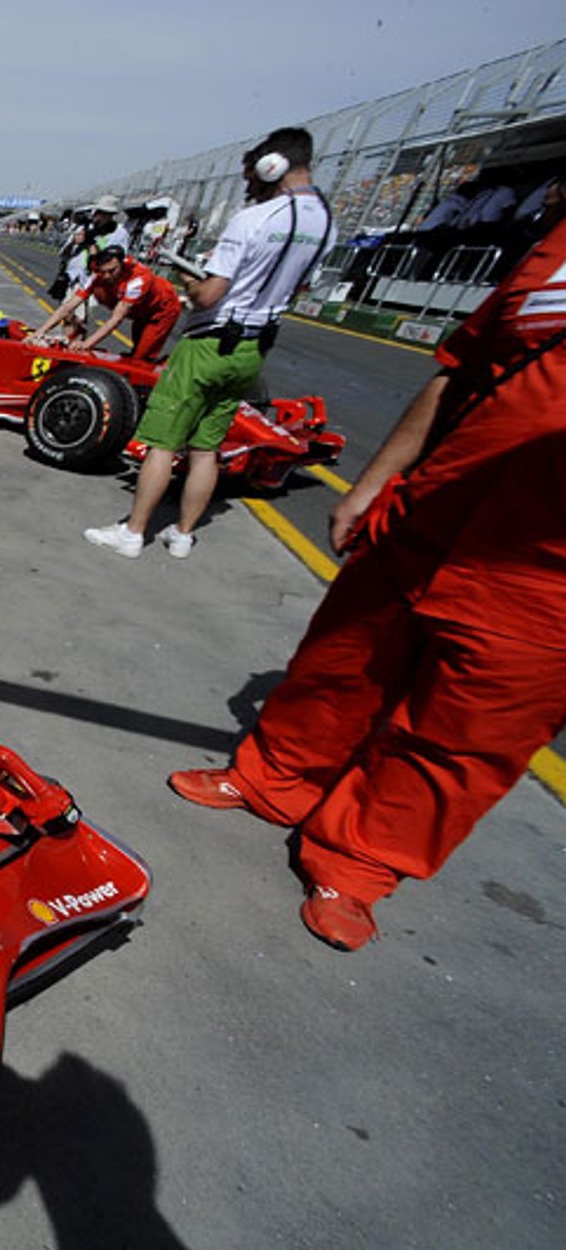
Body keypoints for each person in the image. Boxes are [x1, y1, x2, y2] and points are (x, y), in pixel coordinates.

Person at [166, 199, 566, 953]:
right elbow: (459, 371)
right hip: (438, 507)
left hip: (546, 577)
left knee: (465, 737)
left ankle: (356, 865)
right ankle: (271, 780)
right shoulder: (553, 249)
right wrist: (379, 478)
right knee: (339, 665)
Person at [85, 127, 335, 561]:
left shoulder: (254, 219)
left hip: (210, 341)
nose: (249, 187)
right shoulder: (326, 224)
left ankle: (133, 531)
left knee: (163, 442)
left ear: (270, 166)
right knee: (207, 446)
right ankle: (182, 534)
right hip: (253, 348)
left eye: (251, 177)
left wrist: (188, 275)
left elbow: (208, 295)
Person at [26, 244, 182, 359]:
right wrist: (41, 331)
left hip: (161, 310)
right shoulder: (96, 273)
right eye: (103, 271)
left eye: (112, 271)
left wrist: (86, 345)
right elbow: (69, 305)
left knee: (141, 356)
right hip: (138, 309)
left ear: (122, 264)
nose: (107, 276)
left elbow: (116, 319)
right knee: (135, 350)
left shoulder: (139, 279)